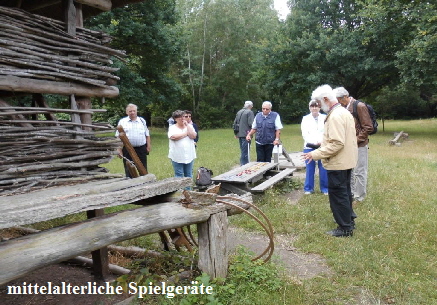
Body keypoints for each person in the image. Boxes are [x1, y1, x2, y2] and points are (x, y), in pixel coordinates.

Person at [303, 85, 358, 237]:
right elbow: (341, 139)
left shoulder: (334, 115)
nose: (320, 107)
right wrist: (324, 144)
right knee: (345, 192)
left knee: (338, 195)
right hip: (347, 160)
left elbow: (337, 143)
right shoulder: (343, 111)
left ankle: (344, 228)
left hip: (338, 162)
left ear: (326, 99)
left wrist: (315, 154)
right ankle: (349, 220)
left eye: (320, 103)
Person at [334, 87, 373, 204]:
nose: (338, 102)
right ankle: (350, 193)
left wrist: (355, 141)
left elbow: (368, 127)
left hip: (360, 144)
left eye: (339, 100)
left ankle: (359, 197)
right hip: (348, 145)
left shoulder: (359, 106)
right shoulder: (342, 108)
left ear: (345, 97)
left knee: (359, 171)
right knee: (349, 170)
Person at [301, 100, 328, 195]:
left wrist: (321, 142)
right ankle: (308, 188)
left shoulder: (324, 117)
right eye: (312, 106)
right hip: (309, 146)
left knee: (323, 167)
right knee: (309, 167)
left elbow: (326, 132)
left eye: (316, 106)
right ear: (309, 108)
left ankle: (325, 188)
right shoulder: (305, 119)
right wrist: (313, 142)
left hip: (322, 145)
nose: (314, 108)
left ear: (319, 107)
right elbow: (305, 133)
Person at [116, 103, 151, 178]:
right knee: (129, 168)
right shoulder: (122, 122)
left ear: (136, 111)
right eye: (130, 111)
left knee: (143, 167)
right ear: (127, 112)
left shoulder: (142, 121)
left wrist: (148, 146)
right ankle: (131, 184)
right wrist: (119, 149)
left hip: (141, 148)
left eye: (134, 111)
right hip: (127, 149)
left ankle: (144, 184)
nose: (132, 112)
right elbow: (118, 137)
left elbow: (147, 134)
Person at [168, 110, 197, 181]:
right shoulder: (172, 128)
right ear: (175, 119)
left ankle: (188, 191)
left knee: (189, 175)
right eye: (179, 117)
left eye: (183, 116)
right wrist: (186, 134)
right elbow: (174, 137)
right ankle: (179, 191)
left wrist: (187, 126)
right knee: (179, 175)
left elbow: (193, 136)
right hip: (177, 156)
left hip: (189, 155)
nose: (182, 118)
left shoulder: (190, 126)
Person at [234, 101, 255, 165]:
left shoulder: (239, 112)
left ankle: (242, 164)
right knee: (245, 151)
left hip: (239, 134)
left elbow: (234, 123)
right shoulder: (249, 112)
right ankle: (244, 165)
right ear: (250, 106)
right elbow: (251, 124)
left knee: (242, 150)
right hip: (247, 134)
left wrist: (236, 133)